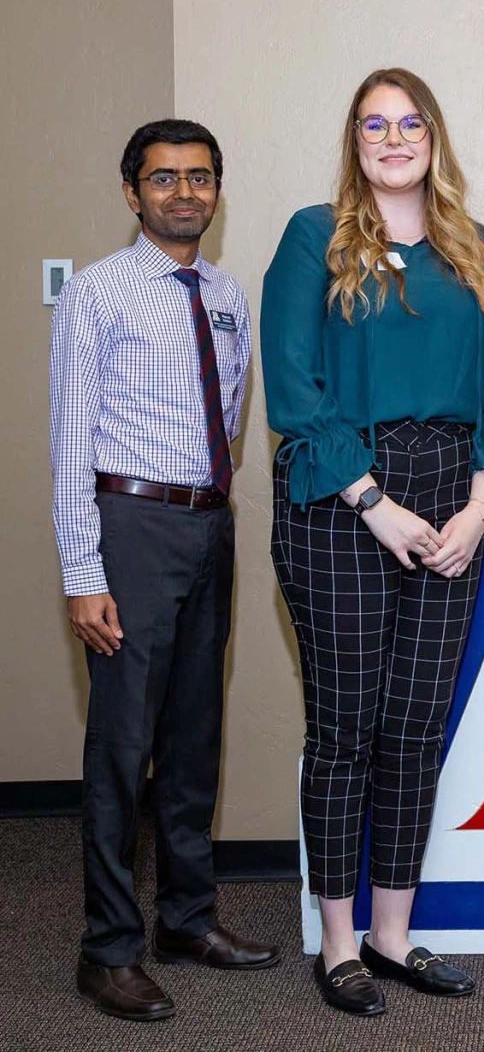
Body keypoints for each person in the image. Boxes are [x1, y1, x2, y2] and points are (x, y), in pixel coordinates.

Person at [262, 67, 484, 1016]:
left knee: (416, 732)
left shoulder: (476, 248)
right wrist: (374, 500)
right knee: (345, 735)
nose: (392, 137)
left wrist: (480, 506)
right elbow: (294, 391)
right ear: (354, 141)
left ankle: (390, 936)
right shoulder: (315, 238)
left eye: (409, 121)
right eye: (373, 124)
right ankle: (336, 945)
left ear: (435, 136)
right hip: (344, 499)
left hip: (454, 504)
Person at [49, 119, 280, 1023]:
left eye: (199, 177)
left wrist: (212, 521)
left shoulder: (226, 295)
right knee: (120, 750)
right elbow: (70, 441)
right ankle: (107, 951)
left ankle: (187, 919)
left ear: (217, 189)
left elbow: (227, 419)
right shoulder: (98, 293)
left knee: (193, 738)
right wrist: (82, 569)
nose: (183, 192)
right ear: (131, 190)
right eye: (163, 178)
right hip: (129, 528)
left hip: (206, 529)